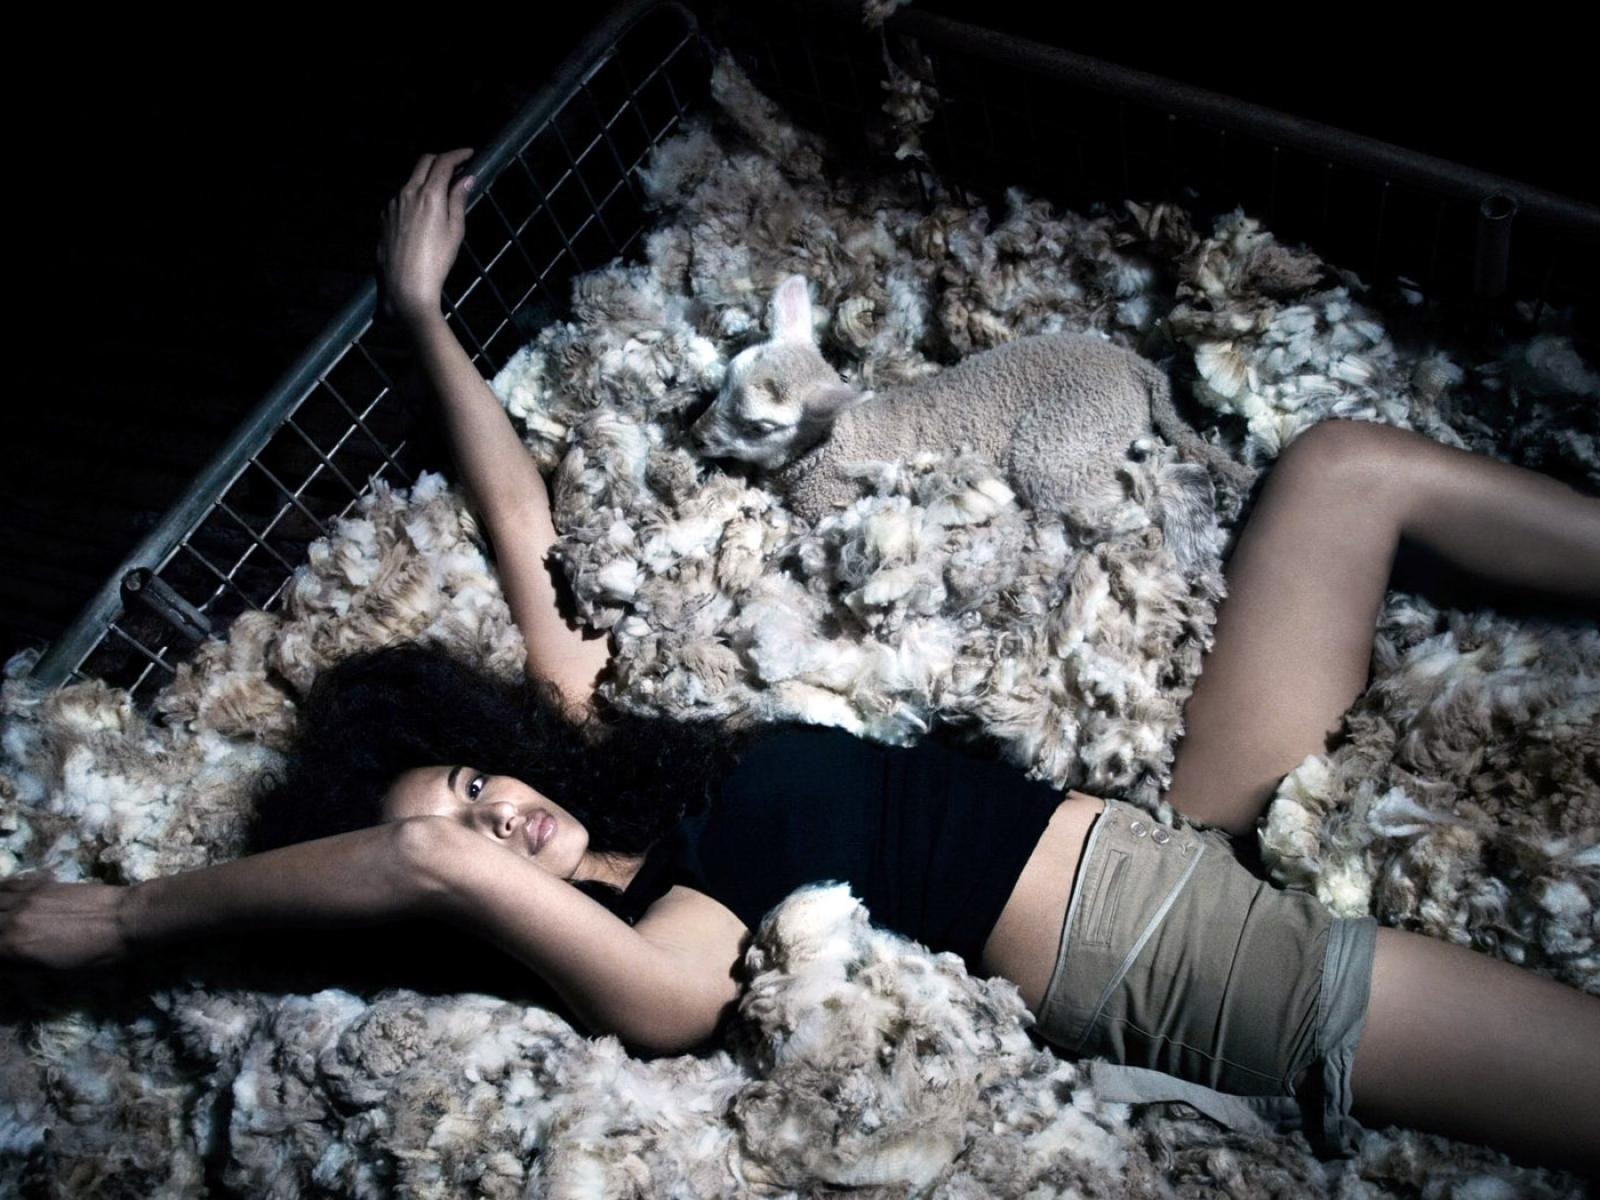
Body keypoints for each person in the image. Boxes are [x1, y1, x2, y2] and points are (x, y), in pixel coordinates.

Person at [4, 149, 1598, 1175]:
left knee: (1345, 471)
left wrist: (423, 316)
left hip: (1178, 831)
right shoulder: (659, 964)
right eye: (471, 830)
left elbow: (520, 524)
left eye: (481, 776)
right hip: (1202, 974)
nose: (496, 814)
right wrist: (133, 918)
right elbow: (428, 858)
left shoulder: (622, 772)